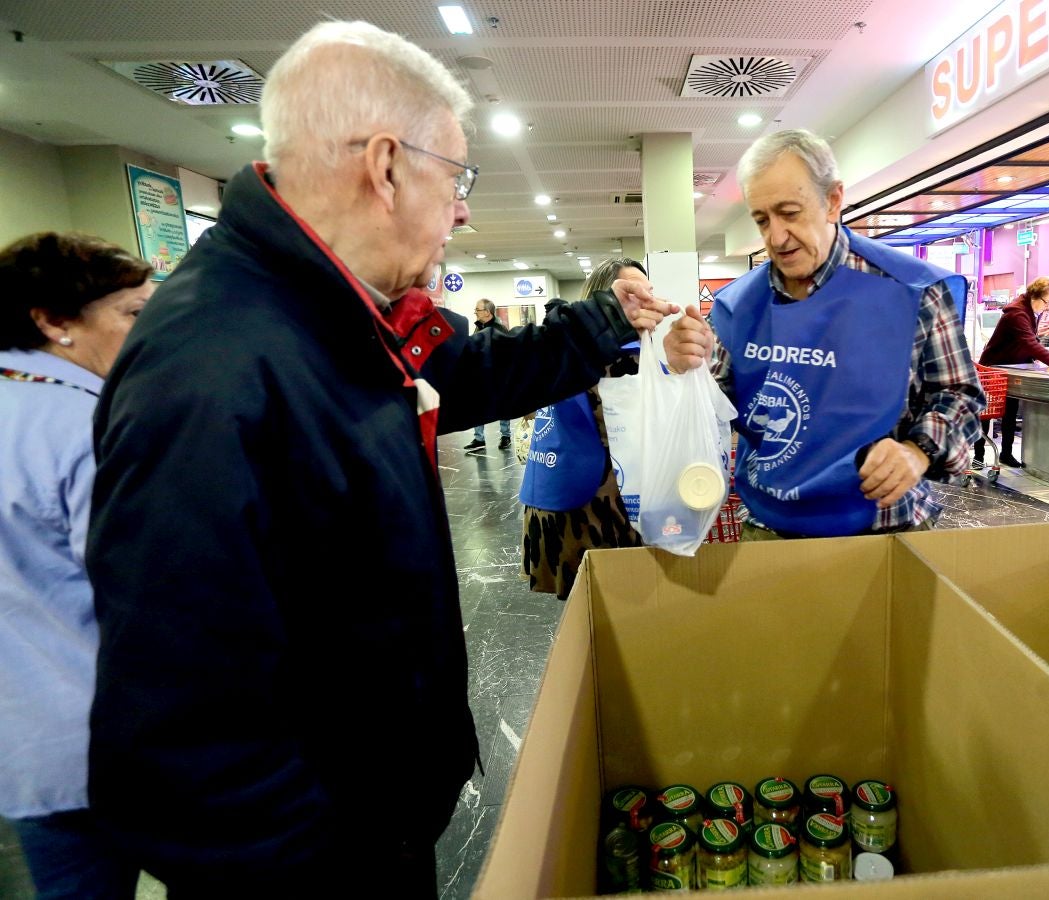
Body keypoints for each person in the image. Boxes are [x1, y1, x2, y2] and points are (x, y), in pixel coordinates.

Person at [83, 21, 675, 897]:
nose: (464, 207)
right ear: (386, 165)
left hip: (373, 812)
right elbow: (183, 722)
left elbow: (469, 374)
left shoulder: (333, 312)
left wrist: (604, 320)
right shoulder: (214, 368)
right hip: (322, 856)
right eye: (457, 176)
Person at [664, 129, 983, 540]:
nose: (775, 237)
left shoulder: (911, 291)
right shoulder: (737, 307)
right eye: (762, 219)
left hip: (886, 527)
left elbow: (960, 397)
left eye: (790, 212)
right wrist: (682, 371)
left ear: (833, 201)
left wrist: (917, 452)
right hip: (771, 529)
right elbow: (708, 412)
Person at [0, 232, 153, 899]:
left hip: (26, 751)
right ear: (54, 320)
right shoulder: (83, 427)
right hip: (107, 745)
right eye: (133, 316)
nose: (149, 335)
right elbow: (150, 593)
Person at [520, 258, 647, 600]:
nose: (644, 303)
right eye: (631, 295)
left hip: (552, 487)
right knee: (612, 604)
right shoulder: (627, 358)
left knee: (589, 607)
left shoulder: (562, 349)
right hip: (600, 505)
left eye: (648, 293)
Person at [974, 277, 1049, 468]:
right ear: (1035, 296)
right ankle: (978, 456)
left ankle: (1006, 453)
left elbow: (1029, 340)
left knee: (1010, 411)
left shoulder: (1028, 311)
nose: (1048, 308)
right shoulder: (1017, 314)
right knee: (986, 414)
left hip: (1012, 367)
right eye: (1047, 302)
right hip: (994, 368)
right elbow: (1028, 343)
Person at [462, 298, 512, 452]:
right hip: (480, 374)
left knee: (503, 405)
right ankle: (479, 439)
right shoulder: (478, 328)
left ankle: (506, 436)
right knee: (477, 405)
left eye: (477, 310)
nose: (475, 312)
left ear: (487, 312)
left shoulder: (499, 329)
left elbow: (506, 353)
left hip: (497, 375)